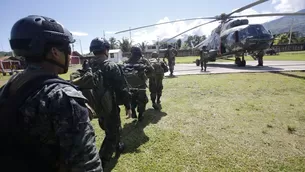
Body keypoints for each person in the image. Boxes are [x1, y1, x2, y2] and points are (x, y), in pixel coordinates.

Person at [0, 15, 102, 171]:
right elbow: (87, 165)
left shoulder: (10, 86)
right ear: (55, 52)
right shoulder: (64, 97)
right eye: (68, 49)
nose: (69, 54)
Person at [88, 37, 132, 166]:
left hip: (96, 104)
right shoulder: (111, 66)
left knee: (109, 125)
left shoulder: (90, 65)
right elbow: (122, 88)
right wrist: (128, 105)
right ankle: (101, 161)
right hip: (110, 105)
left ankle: (118, 145)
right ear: (106, 50)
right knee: (112, 132)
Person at [123, 46, 154, 121]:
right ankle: (140, 115)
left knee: (132, 99)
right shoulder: (143, 60)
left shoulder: (127, 61)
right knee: (142, 100)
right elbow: (152, 70)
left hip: (130, 86)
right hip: (141, 85)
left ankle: (133, 111)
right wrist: (146, 76)